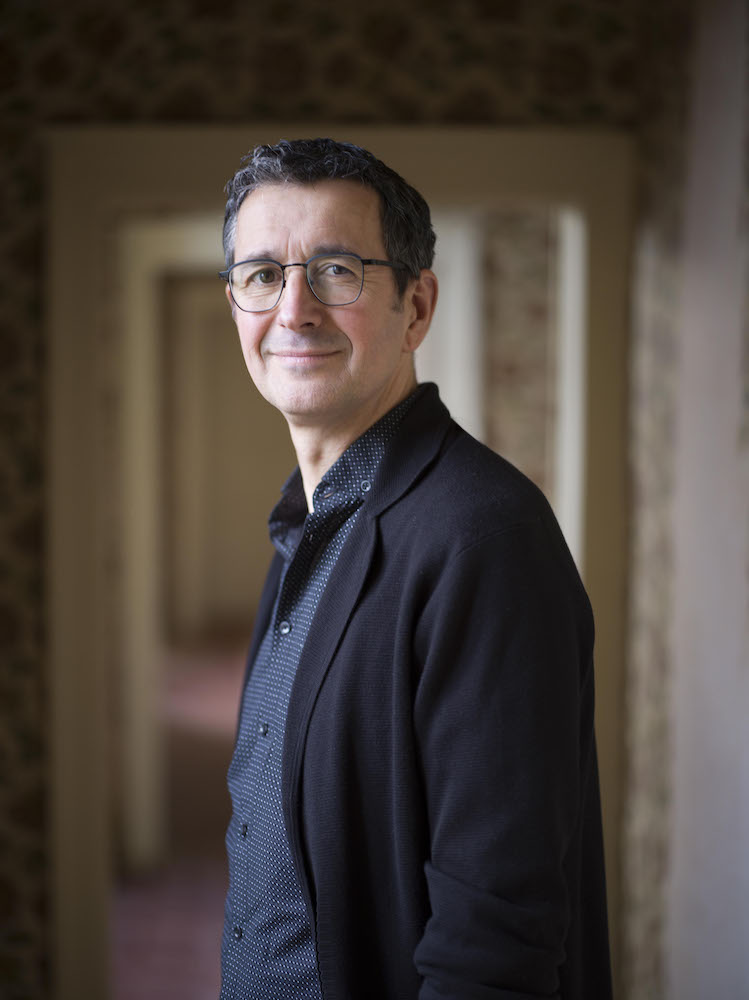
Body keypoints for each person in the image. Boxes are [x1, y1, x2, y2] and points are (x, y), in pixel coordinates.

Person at [217, 137, 612, 1000]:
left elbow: (494, 935)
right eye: (262, 275)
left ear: (416, 306)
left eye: (336, 271)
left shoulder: (483, 538)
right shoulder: (307, 522)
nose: (293, 310)